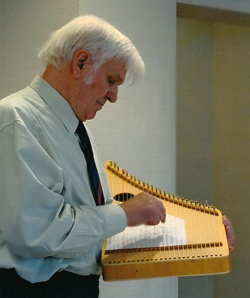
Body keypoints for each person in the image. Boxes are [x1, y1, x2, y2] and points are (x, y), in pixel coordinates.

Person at [0, 15, 234, 298]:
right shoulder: (18, 119)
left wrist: (207, 234)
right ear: (81, 62)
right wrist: (125, 213)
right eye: (111, 80)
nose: (113, 97)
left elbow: (92, 227)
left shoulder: (74, 130)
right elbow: (38, 232)